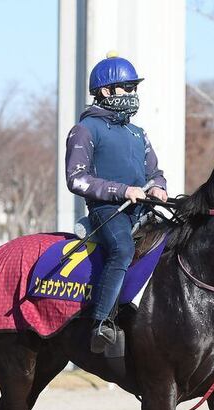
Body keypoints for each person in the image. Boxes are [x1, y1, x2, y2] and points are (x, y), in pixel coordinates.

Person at [65, 52, 168, 353]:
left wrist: (159, 188)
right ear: (106, 91)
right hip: (107, 211)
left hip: (142, 210)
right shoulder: (85, 130)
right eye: (128, 88)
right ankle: (101, 324)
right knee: (122, 248)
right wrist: (123, 190)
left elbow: (155, 172)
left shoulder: (138, 134)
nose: (134, 94)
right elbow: (76, 179)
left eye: (135, 88)